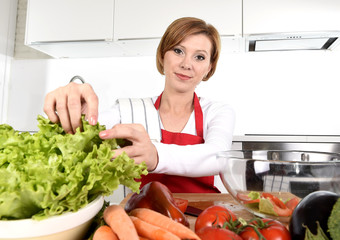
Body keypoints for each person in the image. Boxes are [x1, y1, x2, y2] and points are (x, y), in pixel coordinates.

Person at [44, 17, 235, 193]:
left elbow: (218, 156)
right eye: (178, 51)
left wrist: (155, 155)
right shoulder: (128, 110)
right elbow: (86, 128)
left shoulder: (217, 112)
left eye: (199, 57)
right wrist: (76, 113)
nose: (186, 64)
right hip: (140, 217)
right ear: (162, 56)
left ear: (209, 67)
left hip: (204, 219)